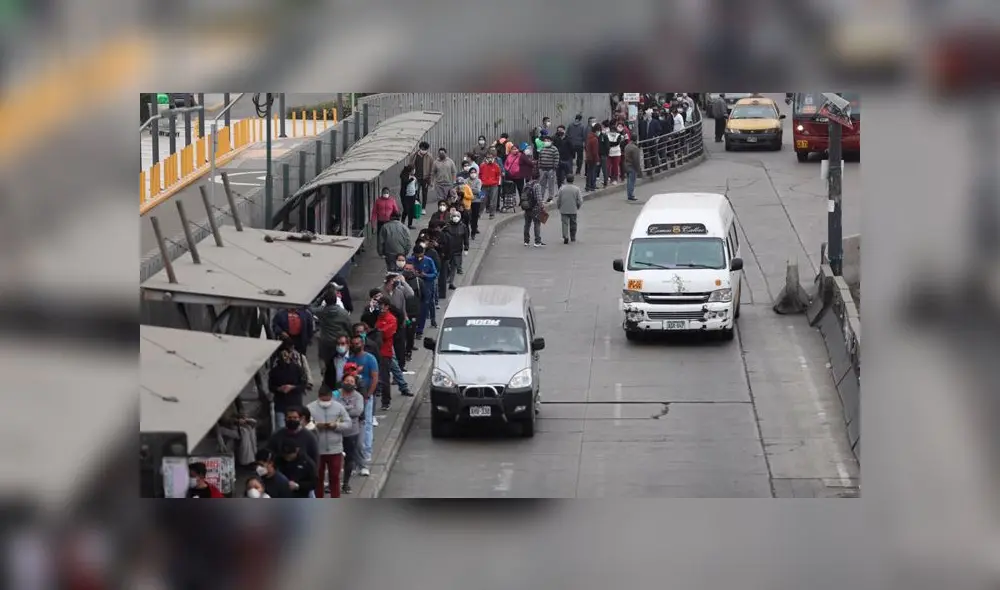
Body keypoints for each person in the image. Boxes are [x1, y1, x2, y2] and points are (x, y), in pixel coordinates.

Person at [306, 386, 352, 498]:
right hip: (317, 449)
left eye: (327, 400)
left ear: (331, 397)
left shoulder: (339, 407)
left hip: (335, 449)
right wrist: (316, 426)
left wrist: (336, 425)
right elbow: (304, 424)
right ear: (319, 397)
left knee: (335, 477)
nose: (325, 403)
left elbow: (348, 424)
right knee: (318, 478)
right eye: (323, 400)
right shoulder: (310, 408)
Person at [346, 333, 380, 474]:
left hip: (366, 397)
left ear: (363, 344)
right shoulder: (350, 359)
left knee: (366, 426)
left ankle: (366, 454)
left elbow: (374, 378)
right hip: (353, 397)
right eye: (353, 343)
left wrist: (368, 395)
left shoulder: (370, 358)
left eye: (357, 343)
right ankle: (355, 460)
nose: (355, 346)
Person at [267, 338, 312, 431]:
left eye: (287, 354)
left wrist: (292, 387)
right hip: (281, 404)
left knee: (296, 428)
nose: (285, 357)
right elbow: (271, 386)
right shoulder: (274, 371)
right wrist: (279, 389)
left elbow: (303, 384)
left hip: (295, 403)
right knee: (281, 428)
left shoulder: (297, 368)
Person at [333, 374, 365, 494]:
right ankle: (333, 483)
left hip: (351, 432)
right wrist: (349, 407)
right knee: (334, 458)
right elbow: (333, 410)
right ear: (342, 382)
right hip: (335, 431)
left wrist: (342, 409)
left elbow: (357, 411)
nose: (349, 383)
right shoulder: (335, 394)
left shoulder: (358, 396)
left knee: (349, 458)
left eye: (351, 381)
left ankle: (346, 483)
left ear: (355, 384)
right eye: (347, 380)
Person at [313, 288, 352, 375]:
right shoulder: (343, 313)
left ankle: (325, 375)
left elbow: (310, 308)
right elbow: (349, 327)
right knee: (340, 362)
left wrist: (321, 297)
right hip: (339, 342)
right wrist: (350, 338)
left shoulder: (322, 311)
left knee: (324, 360)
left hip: (325, 342)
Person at [371, 295, 398, 411]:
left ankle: (386, 401)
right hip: (376, 351)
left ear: (387, 306)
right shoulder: (378, 317)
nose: (379, 307)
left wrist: (377, 332)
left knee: (384, 377)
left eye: (381, 304)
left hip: (385, 352)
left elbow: (384, 334)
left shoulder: (391, 319)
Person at [408, 245, 438, 337]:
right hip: (414, 288)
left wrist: (425, 275)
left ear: (423, 253)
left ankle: (420, 329)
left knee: (424, 308)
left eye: (420, 255)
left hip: (426, 287)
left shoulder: (429, 260)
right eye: (417, 256)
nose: (419, 258)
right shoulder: (410, 260)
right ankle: (412, 327)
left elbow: (434, 274)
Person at [400, 257, 423, 360]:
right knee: (402, 333)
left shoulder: (418, 281)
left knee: (410, 332)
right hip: (401, 312)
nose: (408, 271)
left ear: (414, 270)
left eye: (410, 269)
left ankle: (408, 351)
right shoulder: (399, 281)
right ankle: (402, 351)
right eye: (406, 269)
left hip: (412, 312)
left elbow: (424, 296)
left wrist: (416, 305)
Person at [444, 207, 470, 290]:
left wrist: (466, 248)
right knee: (447, 265)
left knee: (454, 266)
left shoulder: (463, 227)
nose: (456, 218)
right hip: (447, 250)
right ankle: (446, 278)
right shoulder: (447, 226)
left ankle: (451, 282)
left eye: (457, 216)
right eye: (454, 216)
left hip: (457, 250)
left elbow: (466, 238)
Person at [556, 174, 583, 244]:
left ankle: (565, 236)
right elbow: (580, 200)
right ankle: (573, 237)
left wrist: (558, 206)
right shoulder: (576, 189)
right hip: (573, 209)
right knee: (573, 223)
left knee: (564, 223)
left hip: (564, 209)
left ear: (566, 180)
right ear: (573, 180)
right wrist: (578, 206)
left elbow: (558, 199)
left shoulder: (562, 188)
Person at [409, 141, 434, 208]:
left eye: (425, 149)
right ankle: (418, 206)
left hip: (425, 178)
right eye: (422, 149)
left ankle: (423, 208)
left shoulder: (430, 157)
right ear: (420, 148)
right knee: (416, 192)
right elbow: (410, 165)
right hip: (416, 178)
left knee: (424, 193)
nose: (423, 150)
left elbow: (432, 168)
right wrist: (411, 174)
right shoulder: (414, 155)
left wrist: (430, 179)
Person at [479, 148, 502, 219]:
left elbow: (498, 175)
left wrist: (497, 184)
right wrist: (481, 183)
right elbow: (479, 175)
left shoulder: (496, 166)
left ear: (493, 158)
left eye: (491, 157)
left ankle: (492, 214)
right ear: (485, 158)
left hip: (493, 186)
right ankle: (479, 213)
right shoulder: (482, 165)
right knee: (482, 200)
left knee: (493, 200)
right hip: (483, 186)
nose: (489, 159)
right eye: (488, 157)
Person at [521, 179, 545, 247]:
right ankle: (537, 242)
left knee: (527, 224)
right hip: (535, 208)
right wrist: (542, 207)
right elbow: (539, 199)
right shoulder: (537, 185)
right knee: (537, 224)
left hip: (527, 207)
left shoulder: (526, 184)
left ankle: (526, 241)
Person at [537, 133, 559, 203]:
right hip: (542, 169)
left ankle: (550, 197)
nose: (546, 142)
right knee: (542, 184)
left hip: (551, 169)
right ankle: (541, 198)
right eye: (545, 141)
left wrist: (554, 167)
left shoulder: (554, 149)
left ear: (551, 141)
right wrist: (539, 167)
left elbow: (556, 158)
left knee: (551, 184)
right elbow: (539, 158)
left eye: (548, 140)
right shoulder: (542, 148)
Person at [622, 135, 642, 202]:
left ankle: (629, 194)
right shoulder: (635, 148)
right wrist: (639, 170)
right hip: (632, 166)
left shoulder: (627, 146)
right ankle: (631, 195)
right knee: (632, 181)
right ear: (636, 140)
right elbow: (636, 160)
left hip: (626, 165)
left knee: (629, 181)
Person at [466, 167, 483, 238]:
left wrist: (469, 189)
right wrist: (473, 190)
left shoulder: (478, 181)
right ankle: (467, 232)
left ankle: (473, 232)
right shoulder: (466, 180)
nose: (473, 174)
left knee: (475, 217)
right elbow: (465, 189)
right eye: (471, 172)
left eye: (474, 172)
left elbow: (478, 190)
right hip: (467, 200)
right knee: (467, 217)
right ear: (469, 173)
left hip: (476, 201)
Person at [584, 123, 600, 191]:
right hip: (593, 158)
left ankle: (588, 186)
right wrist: (597, 160)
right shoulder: (594, 139)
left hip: (588, 157)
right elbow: (595, 151)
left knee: (589, 172)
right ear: (596, 131)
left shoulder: (588, 137)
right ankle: (592, 186)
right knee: (593, 172)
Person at [598, 122, 611, 188]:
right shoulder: (598, 136)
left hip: (603, 155)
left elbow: (607, 146)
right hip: (599, 155)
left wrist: (606, 154)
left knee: (604, 169)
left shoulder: (604, 136)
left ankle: (605, 182)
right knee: (600, 169)